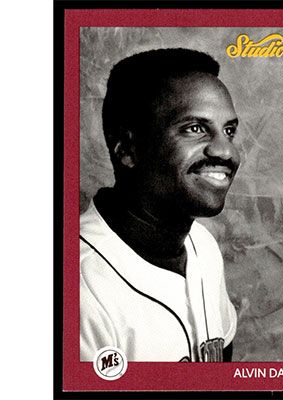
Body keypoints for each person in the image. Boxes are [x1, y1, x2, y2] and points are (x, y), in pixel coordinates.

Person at [80, 48, 240, 362]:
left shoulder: (203, 245)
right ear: (128, 150)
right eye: (195, 129)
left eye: (229, 131)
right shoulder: (80, 290)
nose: (226, 151)